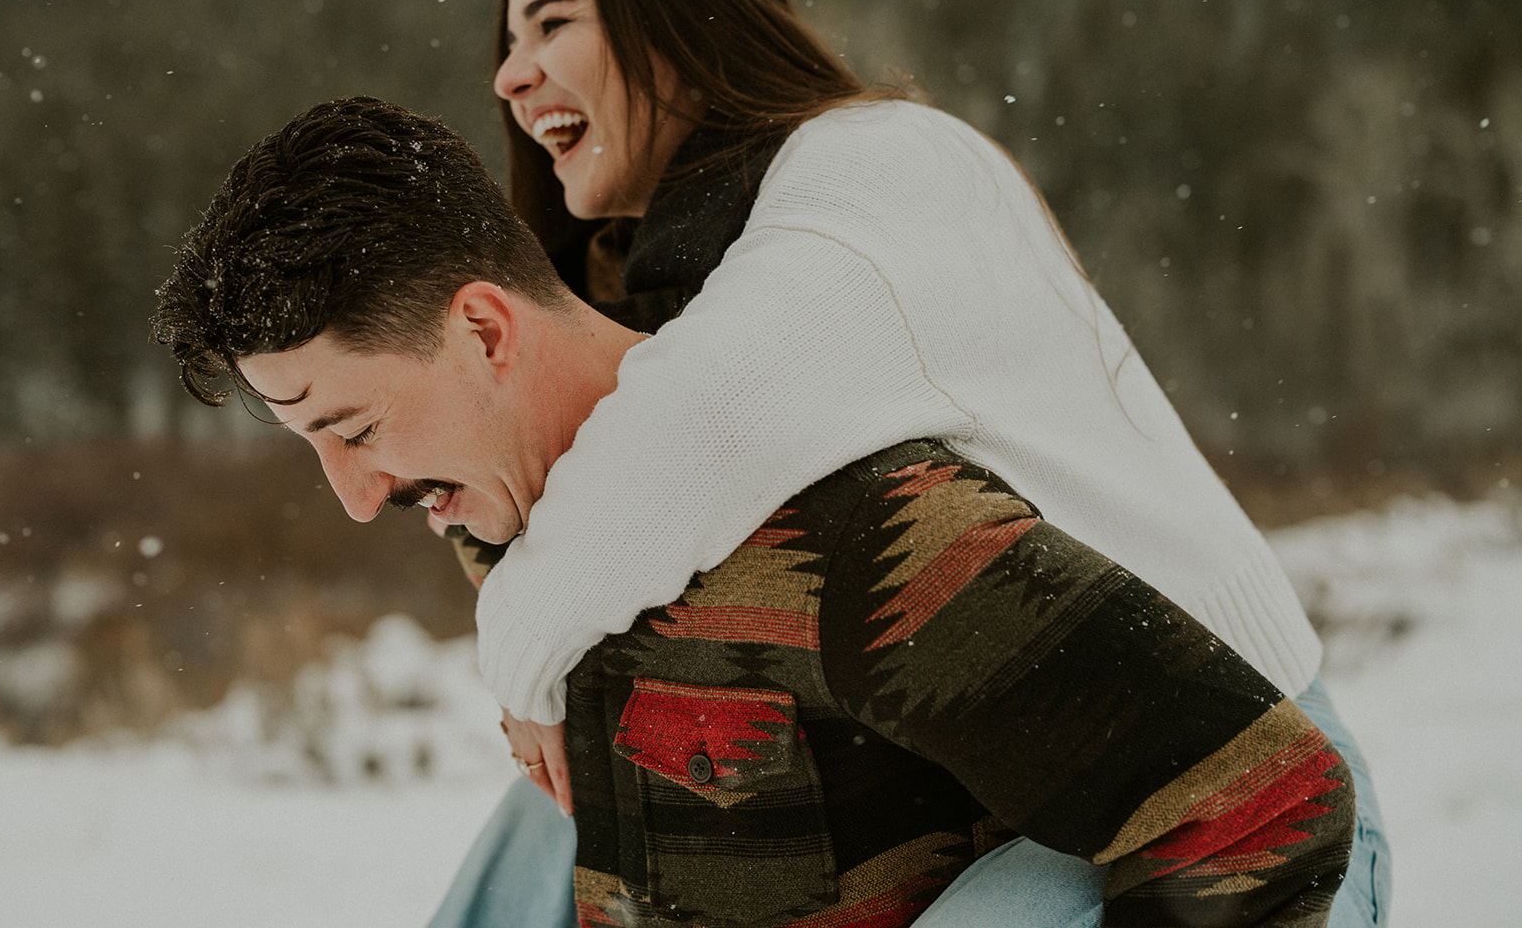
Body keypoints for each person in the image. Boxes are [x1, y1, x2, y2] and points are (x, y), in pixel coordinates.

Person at [152, 96, 1357, 928]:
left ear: (481, 331)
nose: (355, 499)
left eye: (355, 429)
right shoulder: (507, 537)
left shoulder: (860, 536)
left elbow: (1259, 802)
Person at [457, 0, 1391, 927]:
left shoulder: (879, 159)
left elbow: (708, 420)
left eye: (552, 23)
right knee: (555, 814)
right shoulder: (659, 274)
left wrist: (524, 650)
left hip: (1222, 783)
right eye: (508, 39)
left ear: (678, 18)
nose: (509, 73)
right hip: (976, 785)